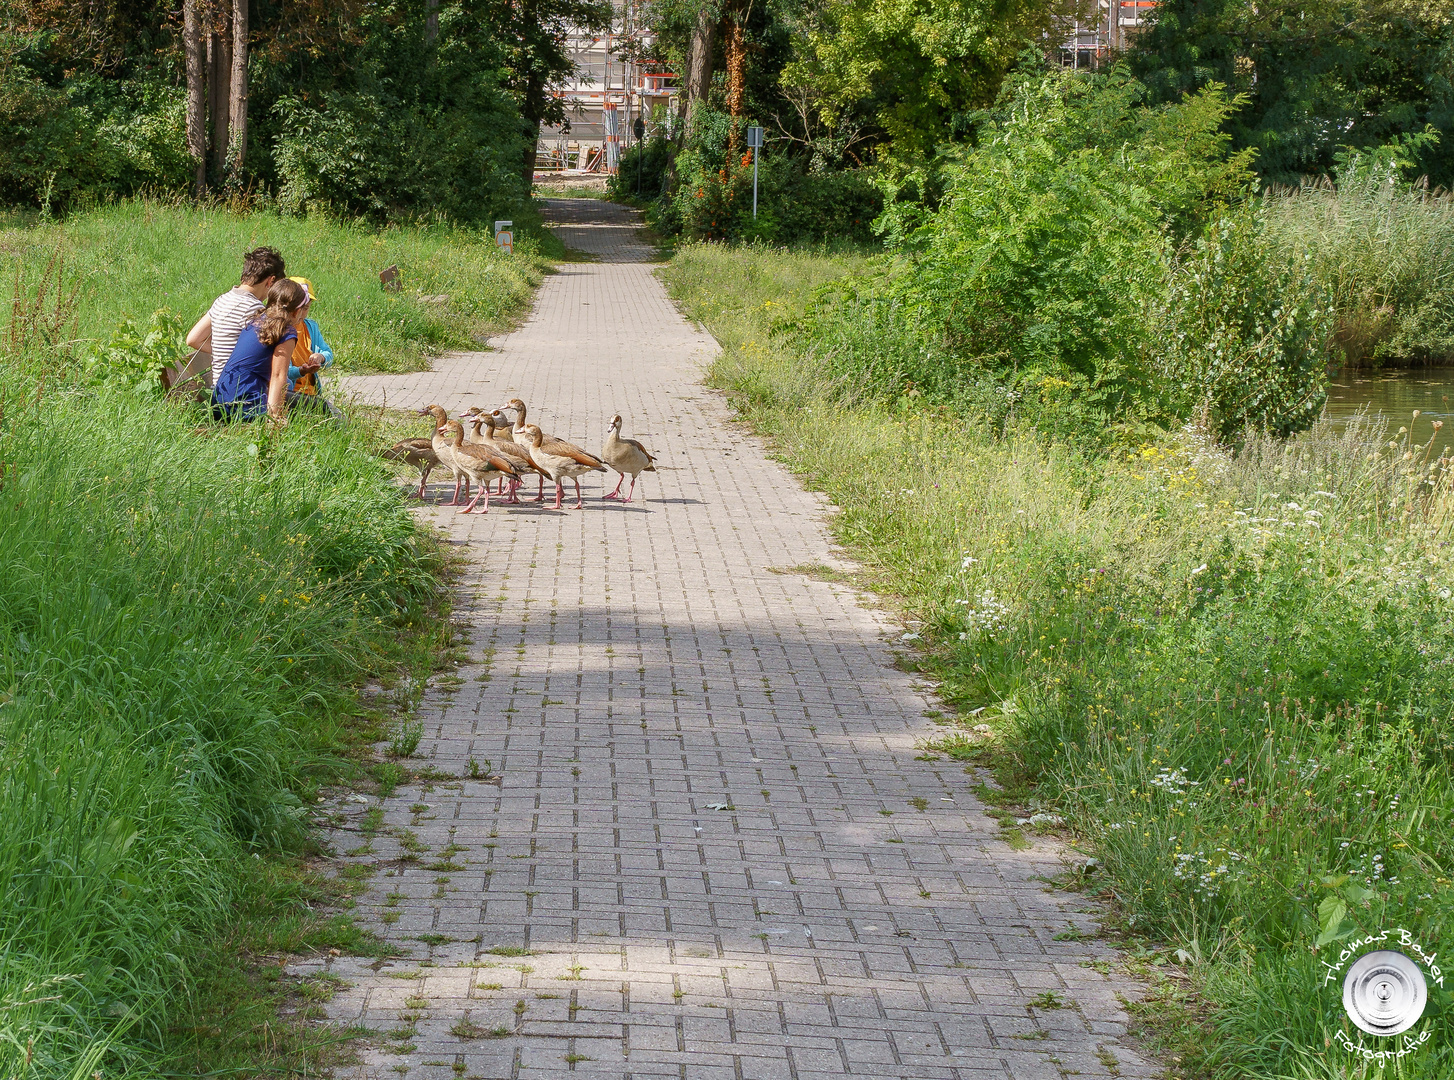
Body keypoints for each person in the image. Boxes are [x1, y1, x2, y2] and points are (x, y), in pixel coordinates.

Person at [212, 278, 326, 422]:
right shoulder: (286, 331)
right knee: (320, 409)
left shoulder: (256, 320)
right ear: (297, 311)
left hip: (219, 402)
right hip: (245, 405)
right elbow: (278, 376)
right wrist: (274, 418)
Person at [186, 246, 287, 385]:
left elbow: (193, 339)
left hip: (220, 387)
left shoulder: (222, 300)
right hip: (243, 389)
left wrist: (224, 354)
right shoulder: (254, 308)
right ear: (270, 281)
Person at [284, 277, 334, 396]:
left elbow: (328, 353)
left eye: (306, 308)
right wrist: (301, 371)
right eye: (298, 307)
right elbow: (283, 372)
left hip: (312, 392)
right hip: (290, 392)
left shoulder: (311, 327)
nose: (301, 313)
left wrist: (320, 357)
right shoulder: (281, 329)